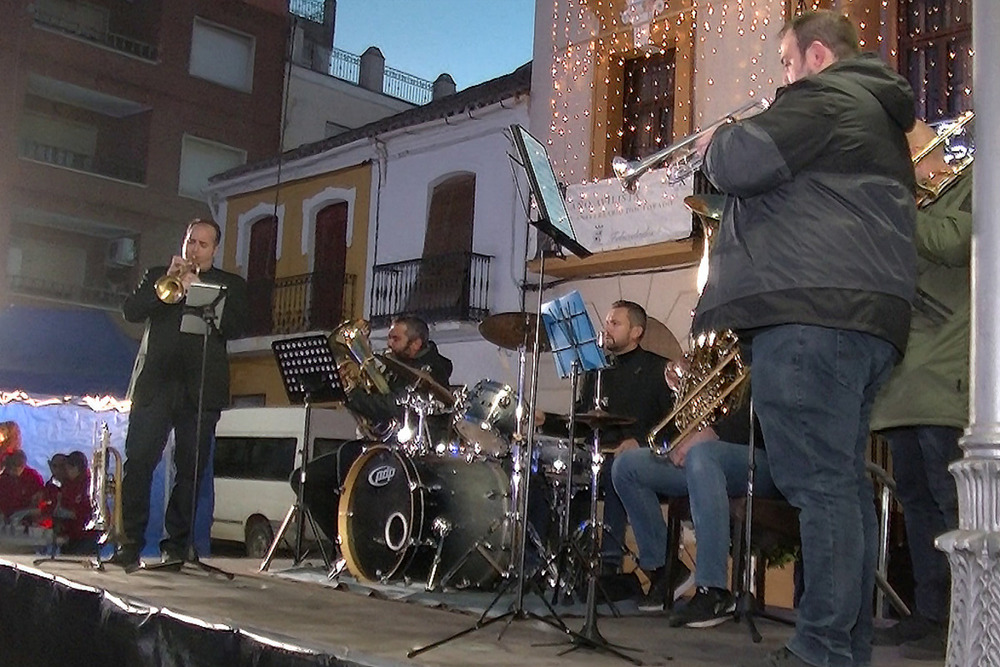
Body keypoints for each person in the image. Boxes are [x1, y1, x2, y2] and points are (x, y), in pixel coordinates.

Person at [692, 10, 917, 667]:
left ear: (816, 56)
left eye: (786, 63)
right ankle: (842, 646)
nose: (782, 78)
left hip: (811, 314)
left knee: (822, 486)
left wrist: (718, 140)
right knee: (841, 485)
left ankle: (821, 646)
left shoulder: (825, 97)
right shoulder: (870, 108)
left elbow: (745, 160)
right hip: (858, 318)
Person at [869, 119, 972, 661]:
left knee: (948, 498)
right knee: (917, 501)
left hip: (941, 372)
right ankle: (931, 612)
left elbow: (956, 244)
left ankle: (965, 615)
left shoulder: (970, 182)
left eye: (902, 150)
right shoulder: (913, 205)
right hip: (903, 377)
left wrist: (902, 207)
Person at [109, 218, 248, 572]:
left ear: (215, 250)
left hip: (200, 388)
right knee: (138, 463)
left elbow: (234, 327)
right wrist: (163, 284)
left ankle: (177, 545)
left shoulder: (228, 285)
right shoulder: (160, 275)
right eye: (190, 243)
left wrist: (199, 288)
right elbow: (131, 311)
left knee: (191, 471)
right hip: (155, 385)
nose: (194, 250)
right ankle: (130, 545)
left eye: (202, 245)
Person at [613, 384, 780, 621]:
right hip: (708, 453)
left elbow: (768, 413)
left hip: (764, 456)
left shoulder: (771, 355)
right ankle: (666, 569)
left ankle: (713, 590)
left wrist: (712, 433)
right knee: (627, 466)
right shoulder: (732, 355)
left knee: (703, 455)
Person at [298, 315, 453, 546]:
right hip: (378, 444)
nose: (389, 343)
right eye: (389, 337)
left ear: (416, 344)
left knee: (344, 464)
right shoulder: (392, 363)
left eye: (395, 338)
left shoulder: (432, 372)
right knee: (304, 479)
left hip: (403, 450)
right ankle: (345, 542)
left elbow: (391, 407)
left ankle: (357, 544)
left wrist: (351, 395)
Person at [575, 301, 673, 577]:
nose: (606, 329)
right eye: (606, 322)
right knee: (551, 470)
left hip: (638, 457)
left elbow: (673, 424)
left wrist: (640, 442)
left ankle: (609, 561)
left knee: (616, 469)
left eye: (615, 323)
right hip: (595, 452)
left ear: (636, 332)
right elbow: (581, 418)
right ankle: (558, 558)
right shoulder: (595, 372)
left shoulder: (657, 370)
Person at [0, 450, 45, 526]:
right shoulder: (3, 477)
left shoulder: (33, 477)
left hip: (26, 517)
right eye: (12, 464)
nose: (14, 469)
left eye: (19, 465)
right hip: (5, 516)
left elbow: (40, 496)